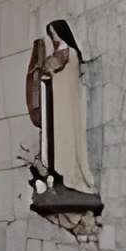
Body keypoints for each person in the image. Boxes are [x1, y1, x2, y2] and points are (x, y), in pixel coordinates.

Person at [34, 17, 100, 210]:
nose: (52, 37)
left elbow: (49, 67)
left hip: (65, 101)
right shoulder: (66, 53)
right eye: (50, 34)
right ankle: (64, 175)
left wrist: (42, 66)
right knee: (64, 136)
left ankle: (70, 177)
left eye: (53, 33)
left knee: (67, 137)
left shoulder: (65, 52)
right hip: (61, 101)